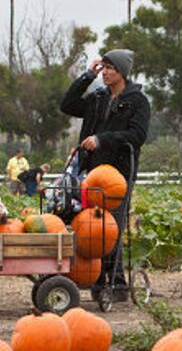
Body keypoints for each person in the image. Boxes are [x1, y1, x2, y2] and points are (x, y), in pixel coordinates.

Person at [60, 49, 151, 302]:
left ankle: (114, 283)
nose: (106, 72)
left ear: (122, 72)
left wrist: (102, 139)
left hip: (119, 174)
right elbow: (66, 104)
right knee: (95, 227)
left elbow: (137, 136)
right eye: (104, 67)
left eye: (111, 68)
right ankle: (109, 282)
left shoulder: (137, 101)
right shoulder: (97, 98)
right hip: (93, 174)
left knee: (111, 228)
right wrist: (87, 76)